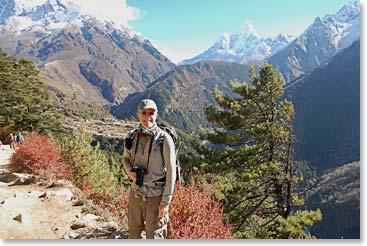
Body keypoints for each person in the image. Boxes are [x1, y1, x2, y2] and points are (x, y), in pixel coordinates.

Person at [122, 99, 176, 239]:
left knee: (155, 235)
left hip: (155, 196)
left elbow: (171, 171)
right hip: (136, 193)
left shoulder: (165, 140)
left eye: (151, 113)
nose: (147, 117)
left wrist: (165, 202)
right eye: (144, 113)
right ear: (138, 114)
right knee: (133, 232)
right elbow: (125, 158)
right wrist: (129, 170)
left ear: (156, 114)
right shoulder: (132, 136)